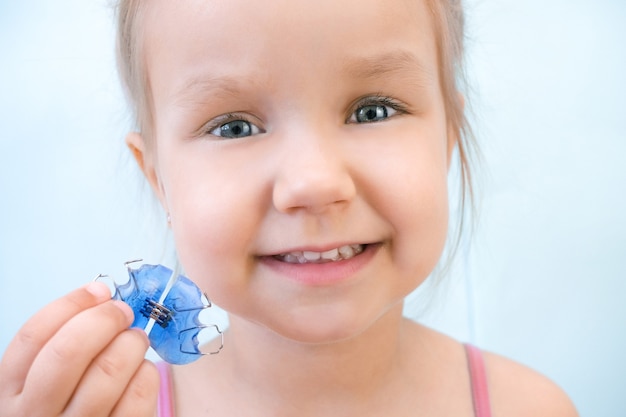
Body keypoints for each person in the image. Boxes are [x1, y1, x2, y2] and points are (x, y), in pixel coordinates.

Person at [0, 0, 579, 416]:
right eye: (234, 127)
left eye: (373, 110)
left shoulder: (530, 407)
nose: (314, 182)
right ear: (158, 178)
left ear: (447, 137)